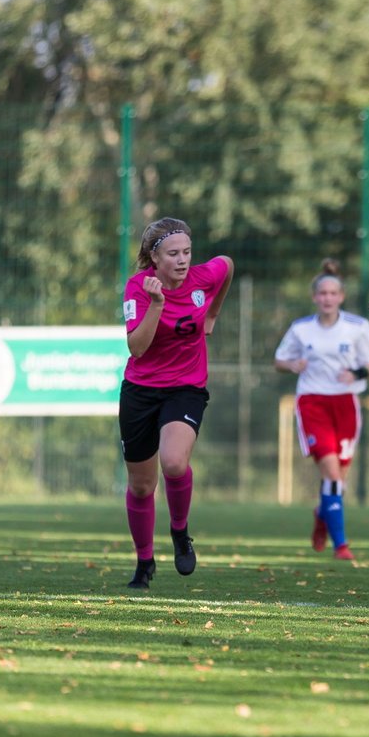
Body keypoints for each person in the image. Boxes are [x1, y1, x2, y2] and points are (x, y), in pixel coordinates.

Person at [119, 217, 234, 590]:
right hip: (141, 390)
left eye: (186, 252)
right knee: (140, 486)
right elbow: (137, 348)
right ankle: (144, 562)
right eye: (173, 254)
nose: (182, 260)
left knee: (173, 461)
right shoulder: (138, 289)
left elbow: (227, 265)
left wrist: (213, 313)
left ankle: (180, 532)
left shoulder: (204, 277)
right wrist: (156, 304)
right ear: (155, 257)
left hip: (186, 387)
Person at [274, 258, 369, 561]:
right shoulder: (301, 330)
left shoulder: (357, 328)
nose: (327, 298)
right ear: (315, 297)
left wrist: (357, 374)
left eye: (332, 293)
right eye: (322, 293)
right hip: (312, 402)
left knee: (339, 479)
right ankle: (342, 545)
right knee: (333, 476)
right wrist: (292, 364)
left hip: (346, 403)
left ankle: (322, 512)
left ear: (341, 297)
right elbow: (279, 360)